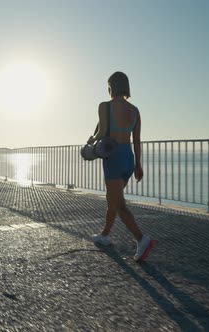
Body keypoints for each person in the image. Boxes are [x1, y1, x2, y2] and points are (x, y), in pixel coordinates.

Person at [87, 71, 154, 262]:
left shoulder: (104, 106)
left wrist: (90, 140)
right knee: (113, 199)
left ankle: (142, 239)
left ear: (111, 87)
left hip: (113, 156)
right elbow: (137, 140)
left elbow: (102, 132)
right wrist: (138, 164)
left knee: (119, 203)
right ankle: (105, 235)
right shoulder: (135, 110)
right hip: (128, 158)